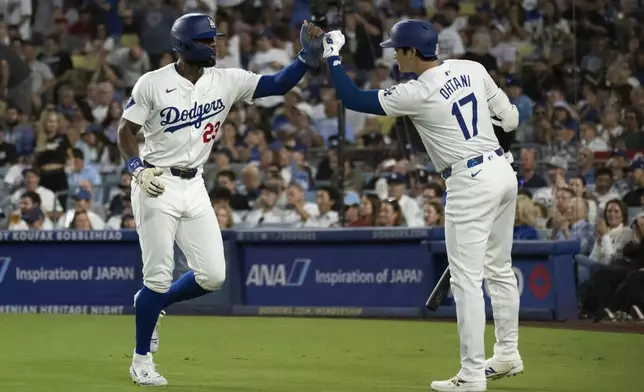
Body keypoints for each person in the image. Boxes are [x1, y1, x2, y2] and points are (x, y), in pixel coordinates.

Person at [117, 13, 324, 386]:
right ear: (183, 46)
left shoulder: (226, 80)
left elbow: (276, 84)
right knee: (158, 276)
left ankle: (152, 306)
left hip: (194, 183)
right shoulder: (153, 83)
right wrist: (137, 168)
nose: (215, 45)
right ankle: (141, 359)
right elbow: (125, 130)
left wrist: (305, 60)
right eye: (207, 41)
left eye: (215, 40)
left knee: (213, 275)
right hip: (156, 182)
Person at [321, 20, 521, 391]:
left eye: (397, 49)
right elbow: (510, 118)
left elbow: (351, 98)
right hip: (501, 170)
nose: (394, 54)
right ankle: (507, 352)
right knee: (500, 269)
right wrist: (502, 145)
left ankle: (473, 374)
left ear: (413, 52)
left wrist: (332, 55)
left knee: (466, 282)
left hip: (470, 182)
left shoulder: (417, 91)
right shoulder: (471, 68)